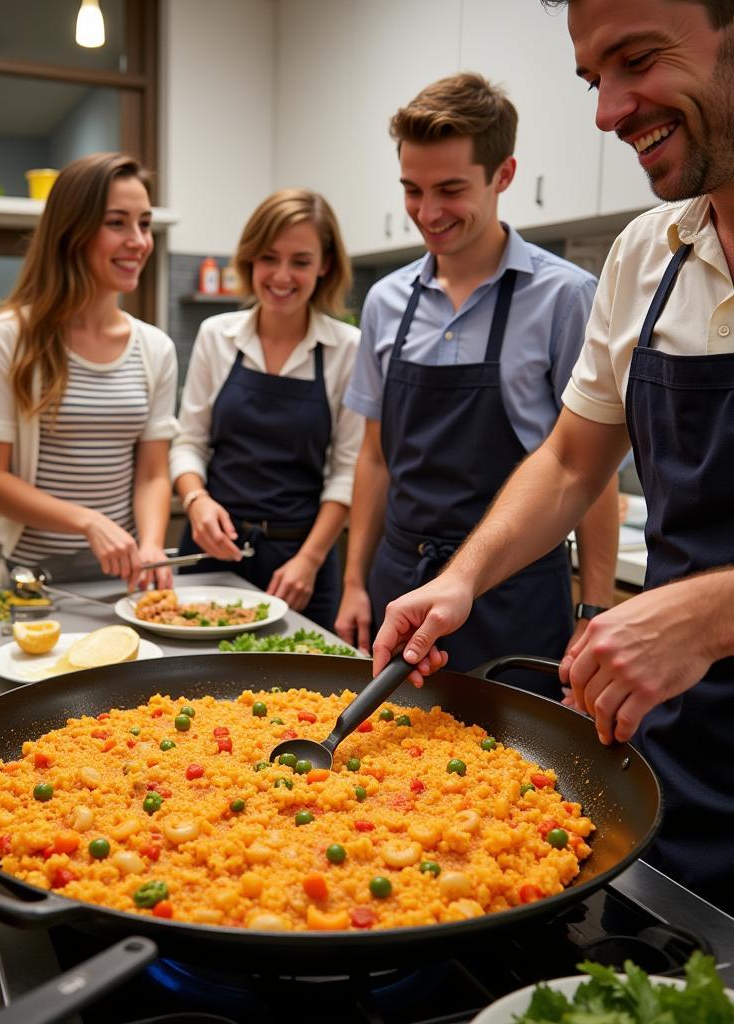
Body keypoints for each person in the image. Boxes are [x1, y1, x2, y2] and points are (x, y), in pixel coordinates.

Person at [373, 0, 734, 914]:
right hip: (678, 754)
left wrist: (713, 612)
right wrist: (462, 580)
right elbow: (574, 461)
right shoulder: (650, 255)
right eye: (592, 80)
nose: (608, 113)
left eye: (637, 59)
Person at [335, 72, 618, 697]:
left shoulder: (565, 298)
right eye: (412, 189)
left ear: (504, 174)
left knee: (510, 781)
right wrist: (355, 580)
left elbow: (586, 472)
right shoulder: (385, 301)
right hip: (401, 588)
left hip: (512, 598)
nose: (428, 213)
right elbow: (375, 458)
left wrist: (593, 613)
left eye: (450, 189)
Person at [170, 189, 362, 630]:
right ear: (250, 260)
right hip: (212, 552)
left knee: (303, 695)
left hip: (300, 567)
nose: (281, 275)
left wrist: (309, 561)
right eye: (269, 258)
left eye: (300, 261)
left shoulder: (346, 349)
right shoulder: (216, 336)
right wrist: (197, 502)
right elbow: (189, 443)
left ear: (325, 265)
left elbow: (348, 472)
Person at [0, 152, 178, 591]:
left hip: (122, 579)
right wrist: (87, 521)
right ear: (71, 232)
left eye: (144, 224)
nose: (138, 241)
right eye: (117, 223)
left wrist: (150, 544)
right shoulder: (10, 336)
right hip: (30, 581)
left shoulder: (154, 349)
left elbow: (153, 472)